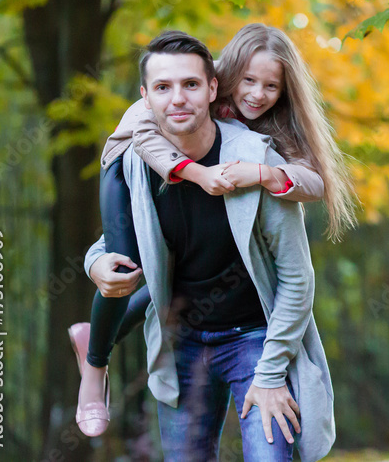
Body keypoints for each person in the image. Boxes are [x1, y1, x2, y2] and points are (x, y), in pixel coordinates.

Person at [70, 29, 354, 460]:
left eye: (190, 85)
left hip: (254, 340)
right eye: (163, 88)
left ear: (210, 87)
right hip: (182, 340)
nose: (178, 97)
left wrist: (272, 372)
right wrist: (95, 265)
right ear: (147, 96)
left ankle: (100, 339)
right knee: (132, 270)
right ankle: (95, 357)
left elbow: (298, 277)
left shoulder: (261, 152)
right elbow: (110, 244)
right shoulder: (141, 156)